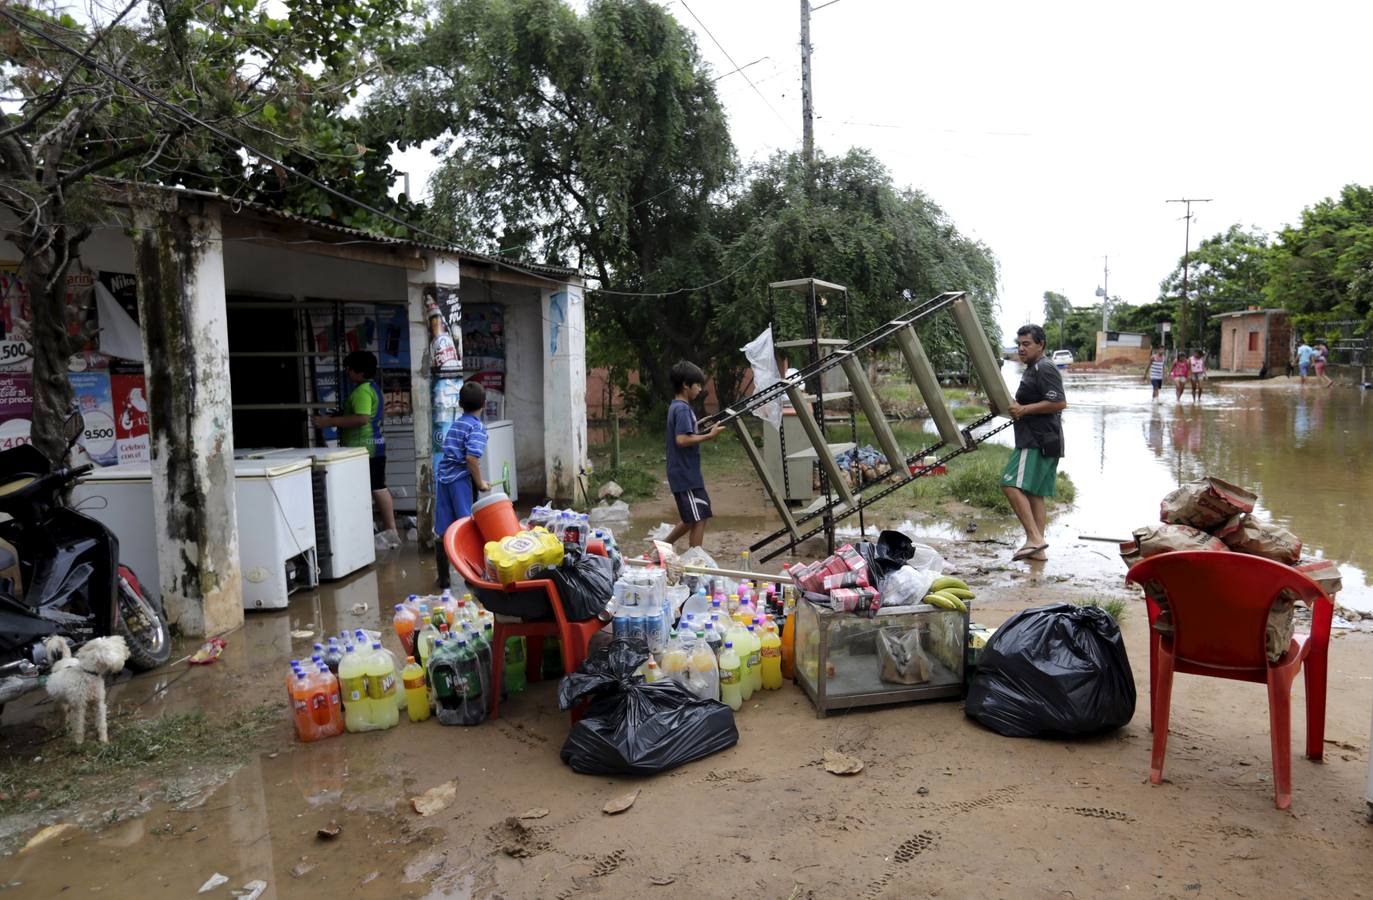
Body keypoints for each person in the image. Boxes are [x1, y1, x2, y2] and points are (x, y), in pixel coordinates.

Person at [312, 351, 397, 550]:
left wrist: (328, 421)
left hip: (364, 448)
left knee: (377, 487)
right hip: (371, 445)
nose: (347, 372)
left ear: (358, 371)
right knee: (375, 487)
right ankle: (384, 529)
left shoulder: (361, 392)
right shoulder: (372, 388)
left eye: (349, 368)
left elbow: (362, 418)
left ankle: (391, 530)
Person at [1001, 324, 1067, 562]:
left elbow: (1059, 402)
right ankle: (1038, 551)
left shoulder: (1044, 367)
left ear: (1041, 345)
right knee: (1035, 493)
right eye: (1019, 344)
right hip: (1045, 439)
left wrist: (1024, 409)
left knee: (1009, 484)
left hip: (1037, 440)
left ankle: (1034, 539)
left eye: (1026, 344)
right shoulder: (1032, 368)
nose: (1021, 348)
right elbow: (1024, 406)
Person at [434, 381, 490, 589]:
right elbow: (471, 459)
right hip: (460, 481)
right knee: (467, 526)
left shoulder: (456, 424)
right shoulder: (477, 428)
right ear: (483, 404)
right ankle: (472, 576)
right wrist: (481, 483)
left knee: (443, 529)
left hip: (444, 478)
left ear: (460, 404)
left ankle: (443, 579)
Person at [663, 360, 724, 549]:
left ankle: (661, 547)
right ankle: (694, 561)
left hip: (687, 473)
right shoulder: (682, 409)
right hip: (685, 474)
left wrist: (698, 425)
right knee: (699, 516)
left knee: (694, 517)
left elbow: (686, 431)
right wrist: (708, 435)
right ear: (685, 385)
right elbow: (681, 439)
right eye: (697, 384)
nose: (699, 388)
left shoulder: (679, 407)